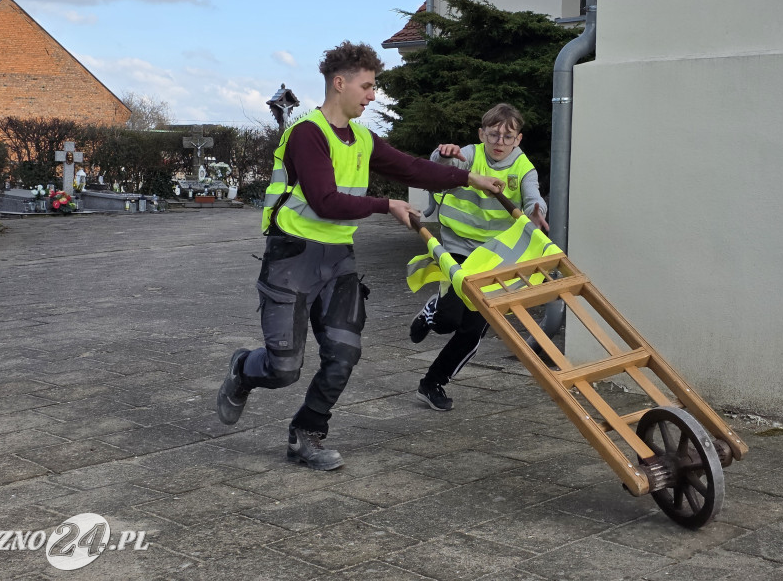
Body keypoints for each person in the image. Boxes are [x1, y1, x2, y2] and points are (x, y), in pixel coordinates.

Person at [216, 41, 504, 471]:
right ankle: (243, 370)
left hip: (337, 263)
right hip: (291, 259)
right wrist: (385, 205)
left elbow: (412, 168)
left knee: (344, 354)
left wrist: (472, 178)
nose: (373, 96)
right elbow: (325, 201)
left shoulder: (364, 139)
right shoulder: (307, 134)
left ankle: (307, 434)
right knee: (283, 368)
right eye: (367, 87)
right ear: (340, 83)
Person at [410, 103, 548, 411]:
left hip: (495, 257)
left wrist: (537, 212)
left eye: (507, 137)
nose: (499, 142)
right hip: (456, 247)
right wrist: (443, 155)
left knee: (472, 329)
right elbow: (440, 168)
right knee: (448, 321)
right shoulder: (469, 154)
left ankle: (432, 383)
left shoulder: (524, 168)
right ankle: (434, 310)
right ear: (481, 134)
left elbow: (533, 196)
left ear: (518, 140)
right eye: (493, 135)